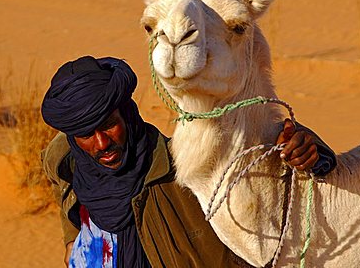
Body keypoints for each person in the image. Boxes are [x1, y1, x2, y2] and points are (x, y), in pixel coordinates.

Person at [40, 56, 336, 268]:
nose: (102, 143)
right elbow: (60, 178)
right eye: (85, 134)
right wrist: (72, 238)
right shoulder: (71, 164)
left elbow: (257, 157)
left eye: (108, 125)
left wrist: (305, 149)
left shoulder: (181, 166)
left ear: (127, 114)